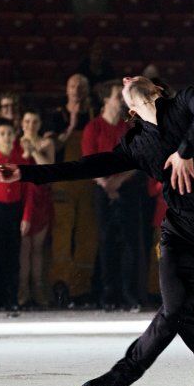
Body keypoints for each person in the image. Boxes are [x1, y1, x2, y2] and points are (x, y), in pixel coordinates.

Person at [0, 76, 194, 386]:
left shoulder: (185, 103)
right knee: (176, 309)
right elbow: (86, 166)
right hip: (179, 231)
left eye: (134, 77)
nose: (126, 77)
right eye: (124, 81)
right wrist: (26, 174)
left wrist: (185, 152)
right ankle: (145, 376)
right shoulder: (136, 143)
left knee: (176, 313)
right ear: (129, 108)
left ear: (154, 89)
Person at [82, 79, 145, 312]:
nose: (121, 100)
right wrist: (106, 184)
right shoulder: (93, 127)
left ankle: (129, 295)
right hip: (102, 188)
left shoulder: (128, 128)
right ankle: (108, 294)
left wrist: (117, 182)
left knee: (130, 242)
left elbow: (137, 158)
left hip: (126, 187)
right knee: (106, 241)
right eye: (118, 96)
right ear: (106, 100)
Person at [42, 73, 97, 307]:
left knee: (87, 235)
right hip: (63, 183)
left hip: (88, 183)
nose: (77, 90)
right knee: (62, 236)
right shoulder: (56, 116)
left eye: (81, 87)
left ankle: (81, 288)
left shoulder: (95, 114)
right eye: (73, 86)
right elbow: (52, 148)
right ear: (66, 90)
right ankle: (60, 286)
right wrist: (72, 126)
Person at [0, 118, 34, 311]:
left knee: (12, 258)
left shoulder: (22, 161)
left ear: (15, 137)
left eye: (9, 134)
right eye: (2, 134)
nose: (6, 137)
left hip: (14, 213)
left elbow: (28, 191)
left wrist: (26, 216)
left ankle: (11, 298)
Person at [18, 109, 55, 308]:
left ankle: (39, 291)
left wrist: (32, 150)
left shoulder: (46, 143)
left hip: (40, 199)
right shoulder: (15, 143)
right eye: (27, 121)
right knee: (24, 248)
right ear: (22, 123)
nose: (30, 125)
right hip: (22, 199)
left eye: (34, 121)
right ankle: (23, 292)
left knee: (38, 248)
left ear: (39, 124)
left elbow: (48, 170)